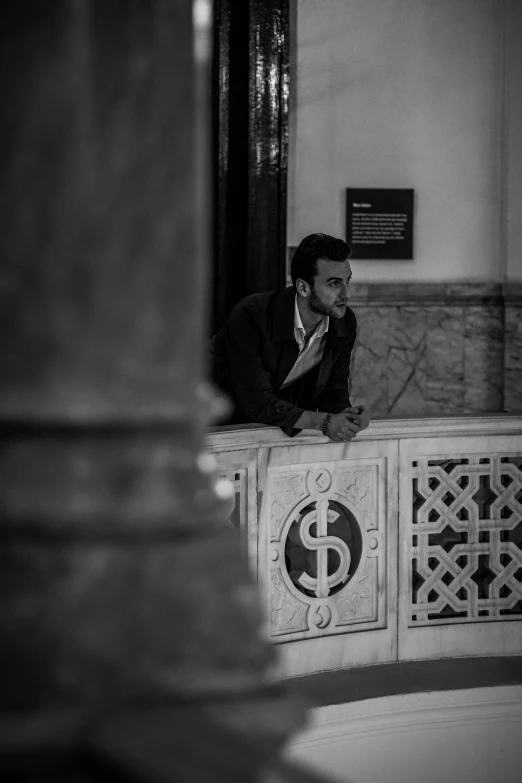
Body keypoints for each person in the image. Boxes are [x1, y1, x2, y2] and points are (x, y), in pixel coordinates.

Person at [209, 233, 369, 440]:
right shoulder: (252, 315)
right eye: (334, 284)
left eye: (347, 281)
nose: (346, 294)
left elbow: (334, 389)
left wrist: (347, 417)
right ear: (303, 287)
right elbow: (256, 400)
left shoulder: (344, 322)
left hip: (268, 432)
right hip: (209, 426)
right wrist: (323, 422)